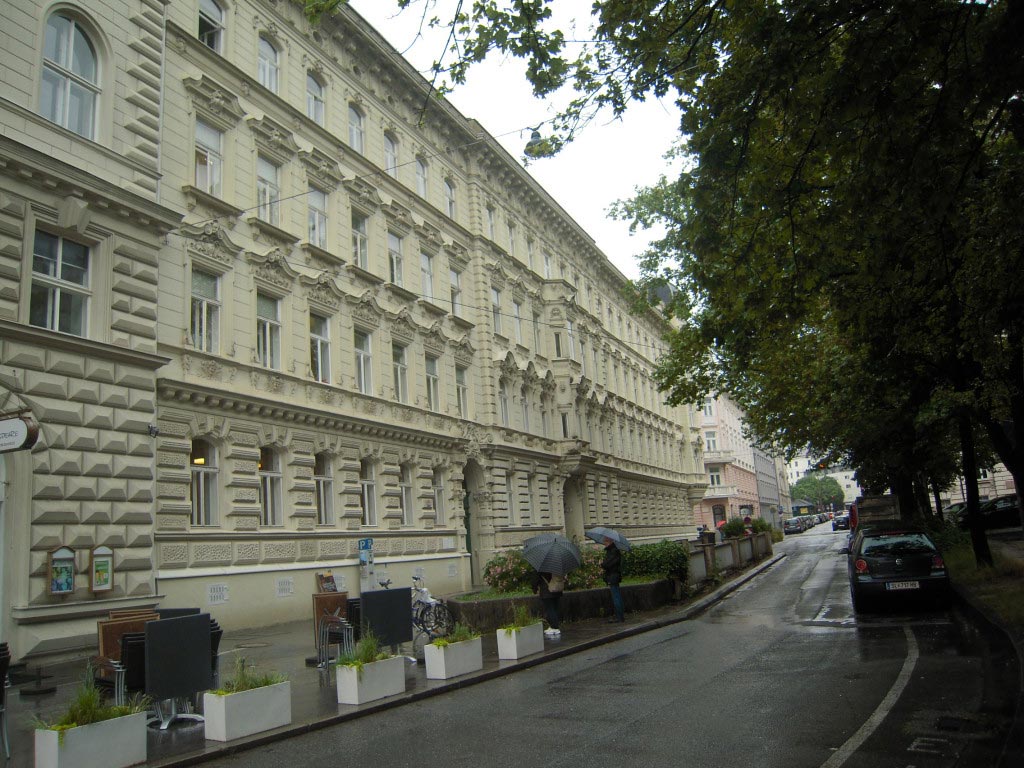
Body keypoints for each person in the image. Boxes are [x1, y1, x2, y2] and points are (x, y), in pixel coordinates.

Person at [532, 570, 564, 636]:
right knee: (555, 608)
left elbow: (535, 579)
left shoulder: (541, 568)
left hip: (547, 591)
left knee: (550, 609)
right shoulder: (556, 566)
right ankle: (553, 626)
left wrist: (534, 589)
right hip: (556, 590)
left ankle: (554, 627)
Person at [601, 537, 625, 623]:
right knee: (617, 595)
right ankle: (619, 616)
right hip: (614, 575)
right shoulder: (613, 550)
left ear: (609, 542)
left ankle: (619, 617)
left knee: (616, 596)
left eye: (605, 542)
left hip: (613, 575)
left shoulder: (613, 551)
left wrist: (602, 563)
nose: (604, 543)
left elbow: (607, 564)